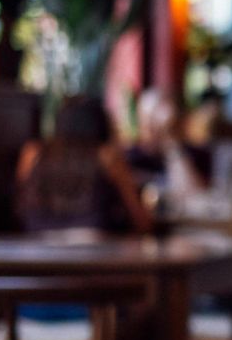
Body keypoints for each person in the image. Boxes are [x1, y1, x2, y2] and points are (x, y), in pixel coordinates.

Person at [16, 95, 153, 235]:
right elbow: (139, 218)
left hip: (37, 240)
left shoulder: (33, 153)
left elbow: (19, 202)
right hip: (95, 242)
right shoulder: (107, 157)